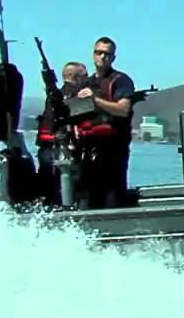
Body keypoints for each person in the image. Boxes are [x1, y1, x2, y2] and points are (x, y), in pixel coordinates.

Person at [75, 36, 136, 209]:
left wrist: (95, 100)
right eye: (99, 52)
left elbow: (123, 109)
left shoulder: (121, 80)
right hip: (88, 148)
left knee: (111, 197)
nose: (102, 57)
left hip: (113, 149)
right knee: (86, 197)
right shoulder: (86, 83)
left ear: (113, 57)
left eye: (107, 54)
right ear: (93, 55)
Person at [34, 60, 88, 205]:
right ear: (76, 77)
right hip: (62, 148)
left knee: (48, 185)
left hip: (47, 147)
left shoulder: (54, 96)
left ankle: (48, 205)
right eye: (85, 76)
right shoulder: (73, 96)